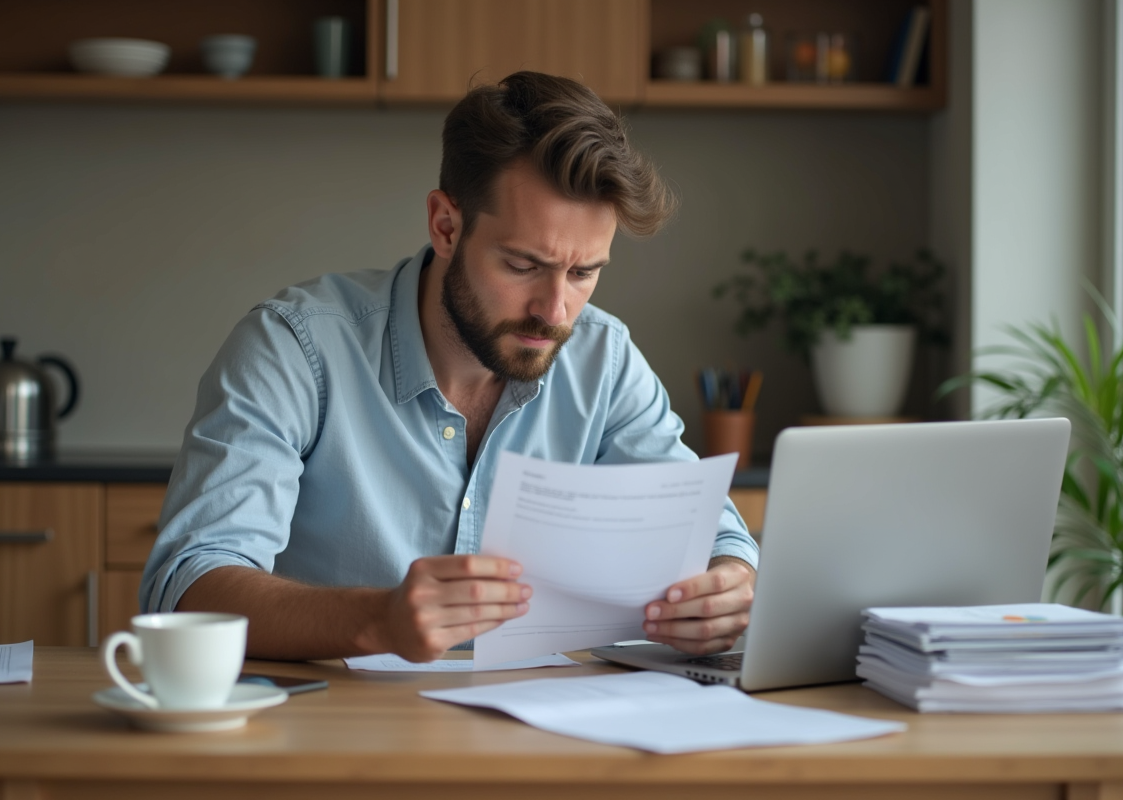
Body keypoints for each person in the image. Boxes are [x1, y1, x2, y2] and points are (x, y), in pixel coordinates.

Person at [140, 71, 758, 663]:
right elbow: (191, 587)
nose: (555, 310)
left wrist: (727, 582)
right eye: (522, 266)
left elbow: (710, 538)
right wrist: (379, 620)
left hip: (542, 736)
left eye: (583, 273)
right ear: (445, 225)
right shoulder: (294, 349)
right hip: (333, 740)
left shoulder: (605, 359)